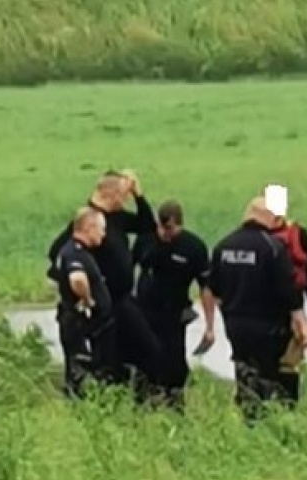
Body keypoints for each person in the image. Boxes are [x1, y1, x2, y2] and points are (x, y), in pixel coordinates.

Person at [46, 171, 164, 399]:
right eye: (123, 195)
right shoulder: (88, 221)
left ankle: (138, 399)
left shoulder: (117, 218)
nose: (124, 200)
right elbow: (59, 254)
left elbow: (146, 225)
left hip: (122, 299)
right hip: (103, 302)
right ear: (110, 194)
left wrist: (139, 195)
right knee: (105, 359)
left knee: (148, 351)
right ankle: (107, 399)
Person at [208, 196, 307, 419]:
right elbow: (288, 291)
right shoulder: (272, 247)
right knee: (270, 376)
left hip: (235, 325)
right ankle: (274, 420)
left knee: (243, 372)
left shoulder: (223, 246)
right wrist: (302, 324)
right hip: (268, 326)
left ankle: (248, 417)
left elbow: (214, 291)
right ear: (269, 217)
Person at [135, 199, 216, 408]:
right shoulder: (146, 240)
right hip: (144, 312)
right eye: (161, 227)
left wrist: (209, 326)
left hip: (174, 314)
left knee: (174, 364)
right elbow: (128, 270)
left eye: (169, 228)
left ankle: (174, 405)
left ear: (179, 224)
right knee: (143, 362)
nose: (164, 233)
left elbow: (206, 287)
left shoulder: (193, 247)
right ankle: (143, 405)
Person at [48, 206, 113, 399]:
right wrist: (88, 299)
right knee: (80, 367)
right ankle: (79, 403)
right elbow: (77, 279)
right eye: (101, 229)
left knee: (80, 366)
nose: (103, 234)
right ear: (89, 228)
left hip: (74, 319)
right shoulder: (74, 252)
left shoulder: (70, 250)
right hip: (78, 321)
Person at [268, 206, 307, 401]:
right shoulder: (295, 234)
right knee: (283, 364)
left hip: (285, 310)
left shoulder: (297, 235)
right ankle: (285, 405)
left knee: (286, 363)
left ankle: (284, 404)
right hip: (287, 309)